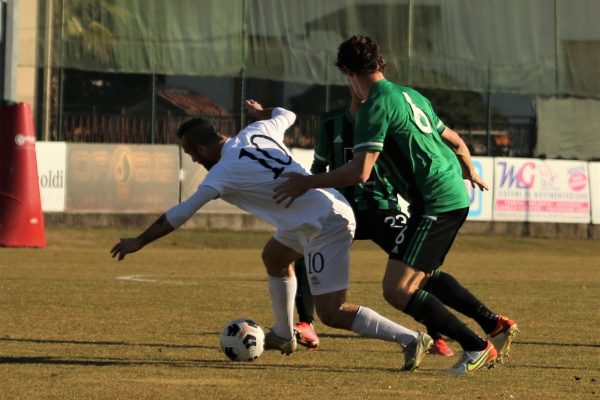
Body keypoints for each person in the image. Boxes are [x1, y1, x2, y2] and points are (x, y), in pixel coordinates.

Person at [111, 99, 433, 371]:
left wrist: (139, 240)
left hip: (325, 223)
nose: (194, 160)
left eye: (192, 154)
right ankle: (283, 334)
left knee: (333, 312)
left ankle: (411, 339)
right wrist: (264, 113)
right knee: (275, 257)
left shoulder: (222, 173)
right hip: (316, 214)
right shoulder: (256, 130)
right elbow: (287, 115)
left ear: (200, 147)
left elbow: (180, 213)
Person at [273, 35, 518, 375]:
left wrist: (306, 182)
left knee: (398, 288)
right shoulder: (409, 95)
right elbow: (457, 141)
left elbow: (360, 172)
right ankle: (489, 328)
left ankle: (477, 346)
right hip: (440, 198)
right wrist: (470, 171)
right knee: (420, 278)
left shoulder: (377, 105)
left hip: (436, 202)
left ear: (348, 72)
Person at [293, 88, 454, 357]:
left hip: (382, 208)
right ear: (352, 84)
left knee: (418, 269)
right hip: (340, 210)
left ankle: (437, 334)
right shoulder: (330, 122)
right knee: (303, 253)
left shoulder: (387, 115)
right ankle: (306, 323)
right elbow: (319, 166)